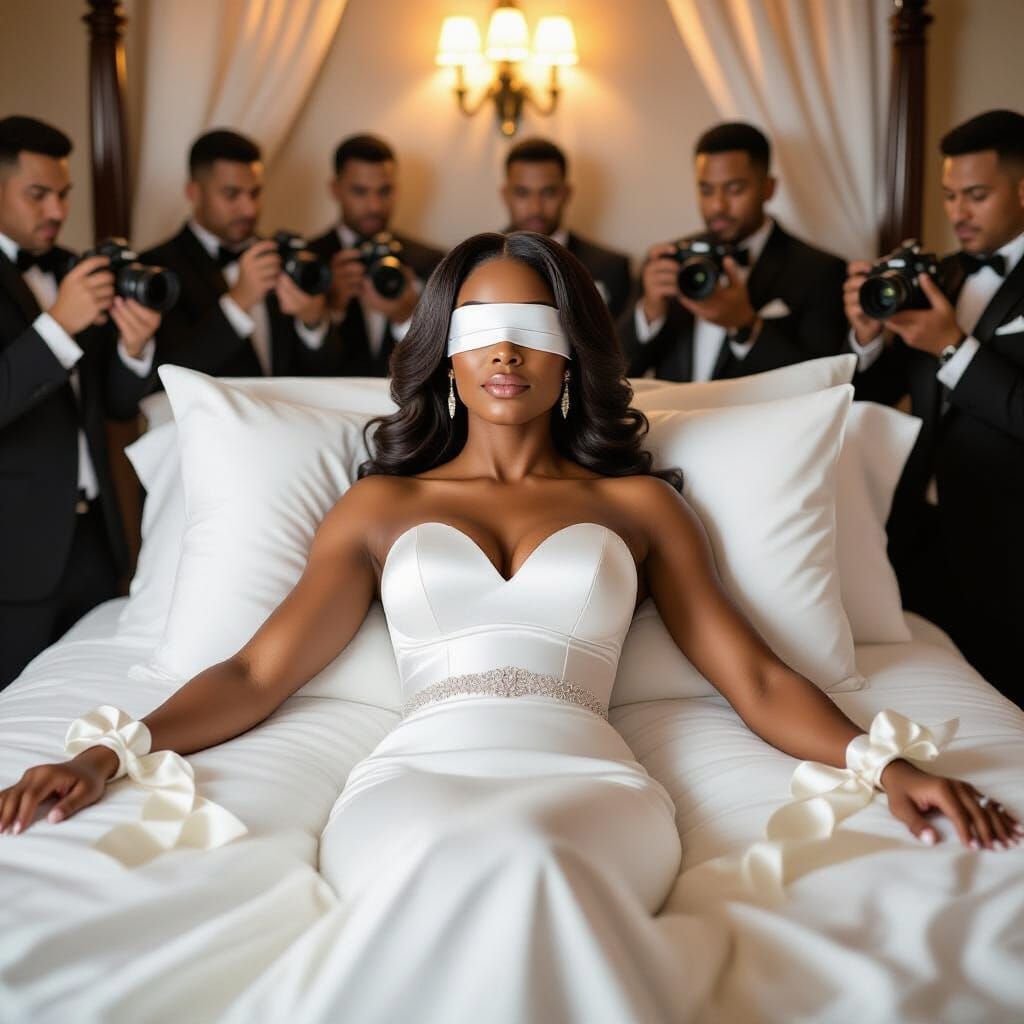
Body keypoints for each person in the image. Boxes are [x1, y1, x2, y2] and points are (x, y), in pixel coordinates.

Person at [1, 233, 1016, 1021]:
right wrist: (108, 752)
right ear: (442, 346)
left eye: (530, 327)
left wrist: (885, 766)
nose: (501, 351)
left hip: (591, 784)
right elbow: (259, 669)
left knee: (535, 858)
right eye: (478, 323)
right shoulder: (378, 506)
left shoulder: (638, 506)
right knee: (462, 860)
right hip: (410, 782)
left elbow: (753, 679)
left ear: (570, 351)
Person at [845, 109, 1024, 704]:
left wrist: (952, 343)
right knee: (924, 697)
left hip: (1010, 542)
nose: (957, 213)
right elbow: (875, 394)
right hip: (918, 533)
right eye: (950, 196)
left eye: (976, 195)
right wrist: (868, 336)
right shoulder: (939, 275)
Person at [0, 116, 158, 688]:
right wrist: (58, 326)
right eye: (37, 194)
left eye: (63, 195)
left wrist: (134, 350)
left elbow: (112, 406)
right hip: (12, 554)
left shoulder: (73, 268)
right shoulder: (68, 293)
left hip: (96, 539)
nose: (57, 212)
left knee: (92, 699)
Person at [620, 122, 846, 381]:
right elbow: (616, 375)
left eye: (734, 189)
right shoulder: (665, 260)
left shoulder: (821, 271)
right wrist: (649, 312)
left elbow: (822, 384)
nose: (718, 205)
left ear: (768, 188)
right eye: (706, 190)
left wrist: (746, 326)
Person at [142, 129, 337, 379]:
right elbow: (170, 376)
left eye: (255, 193)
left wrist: (313, 322)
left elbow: (328, 370)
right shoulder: (157, 268)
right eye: (231, 194)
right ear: (194, 193)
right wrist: (239, 301)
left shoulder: (287, 257)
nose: (249, 209)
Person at [309, 134, 444, 377]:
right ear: (335, 189)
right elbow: (294, 367)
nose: (374, 206)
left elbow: (445, 366)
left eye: (385, 191)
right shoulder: (310, 261)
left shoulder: (431, 261)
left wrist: (407, 316)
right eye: (360, 192)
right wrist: (332, 308)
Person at [500, 136, 631, 318]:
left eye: (548, 192)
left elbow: (619, 344)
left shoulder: (610, 267)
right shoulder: (473, 261)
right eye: (523, 193)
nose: (536, 207)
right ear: (505, 195)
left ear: (566, 194)